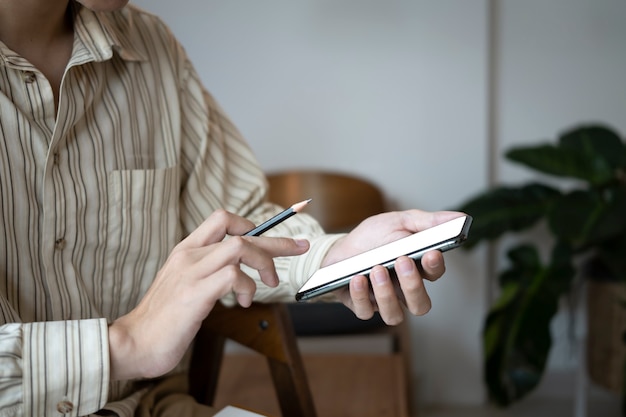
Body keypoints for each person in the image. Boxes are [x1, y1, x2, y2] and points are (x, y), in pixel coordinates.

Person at [0, 0, 463, 416]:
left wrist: (336, 256)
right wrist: (124, 345)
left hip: (151, 407)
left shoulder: (150, 46)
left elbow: (234, 222)